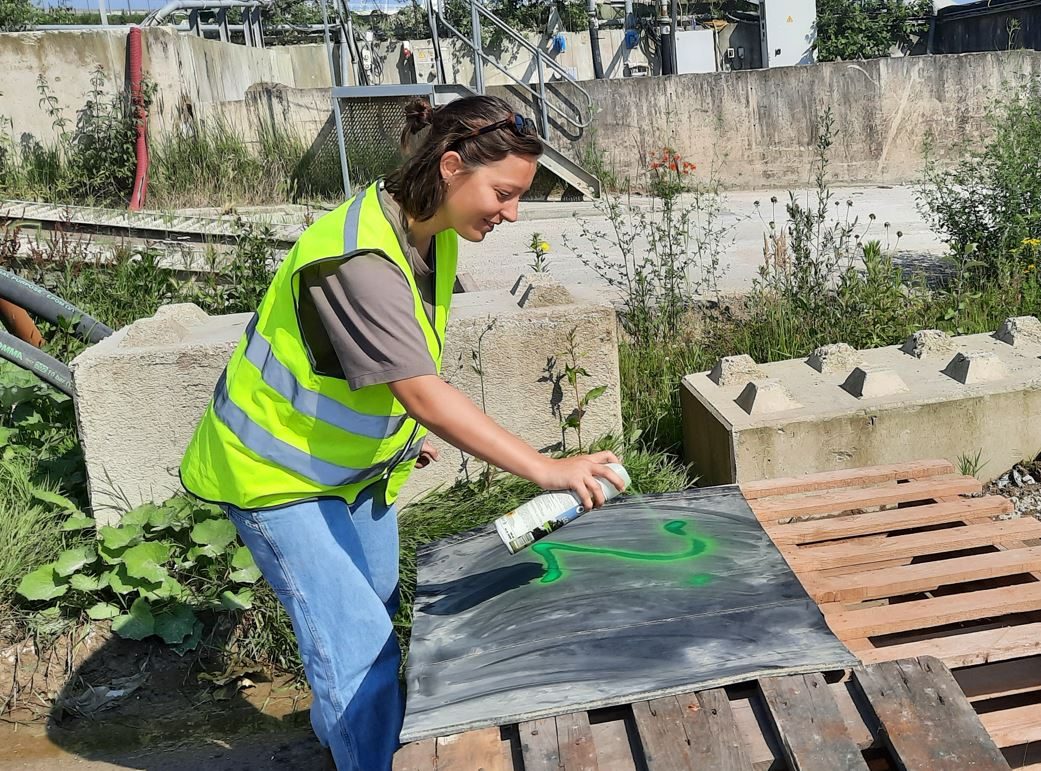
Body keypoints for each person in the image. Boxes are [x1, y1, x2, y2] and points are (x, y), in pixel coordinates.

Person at [178, 94, 627, 771]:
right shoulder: (357, 257)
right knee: (358, 647)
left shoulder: (429, 228)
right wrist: (546, 468)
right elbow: (421, 391)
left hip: (353, 468)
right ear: (451, 166)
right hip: (274, 476)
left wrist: (394, 434)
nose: (510, 214)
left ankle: (348, 743)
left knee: (364, 631)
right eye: (504, 194)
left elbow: (377, 364)